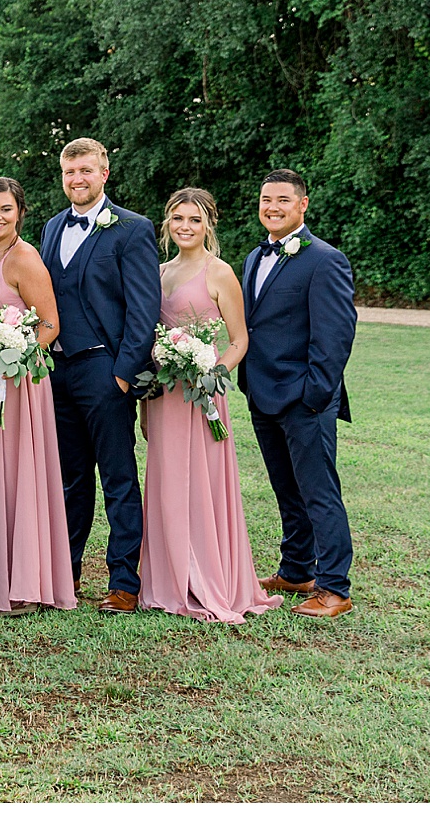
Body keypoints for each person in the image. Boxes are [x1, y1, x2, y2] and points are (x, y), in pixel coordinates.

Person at [138, 189, 280, 624]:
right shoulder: (158, 273)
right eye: (178, 218)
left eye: (194, 220)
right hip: (164, 394)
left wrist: (212, 370)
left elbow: (239, 340)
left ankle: (207, 579)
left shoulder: (219, 274)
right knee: (165, 480)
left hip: (203, 394)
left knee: (201, 482)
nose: (185, 226)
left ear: (208, 226)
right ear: (167, 223)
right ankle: (169, 579)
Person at [39, 137, 160, 613]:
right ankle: (66, 573)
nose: (77, 180)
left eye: (86, 171)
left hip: (104, 370)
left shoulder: (132, 229)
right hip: (58, 373)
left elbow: (143, 306)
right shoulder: (51, 228)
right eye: (70, 172)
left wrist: (124, 374)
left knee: (118, 478)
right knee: (69, 479)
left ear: (103, 174)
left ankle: (123, 581)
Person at [0, 176, 75, 615]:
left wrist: (11, 353)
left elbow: (49, 325)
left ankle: (18, 582)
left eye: (5, 209)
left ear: (20, 211)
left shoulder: (25, 259)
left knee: (9, 471)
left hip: (15, 385)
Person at [240, 169, 358, 618]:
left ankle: (334, 589)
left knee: (319, 492)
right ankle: (295, 570)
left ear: (302, 205)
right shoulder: (253, 257)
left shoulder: (325, 260)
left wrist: (314, 396)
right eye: (266, 199)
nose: (272, 207)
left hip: (305, 399)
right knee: (287, 490)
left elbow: (335, 336)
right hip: (263, 394)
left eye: (283, 200)